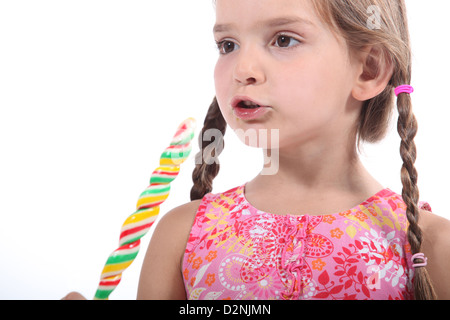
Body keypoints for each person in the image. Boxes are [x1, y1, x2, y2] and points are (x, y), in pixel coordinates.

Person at [64, 0, 450, 300]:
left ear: (368, 69)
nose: (242, 68)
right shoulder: (181, 235)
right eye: (227, 44)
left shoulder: (430, 249)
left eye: (284, 39)